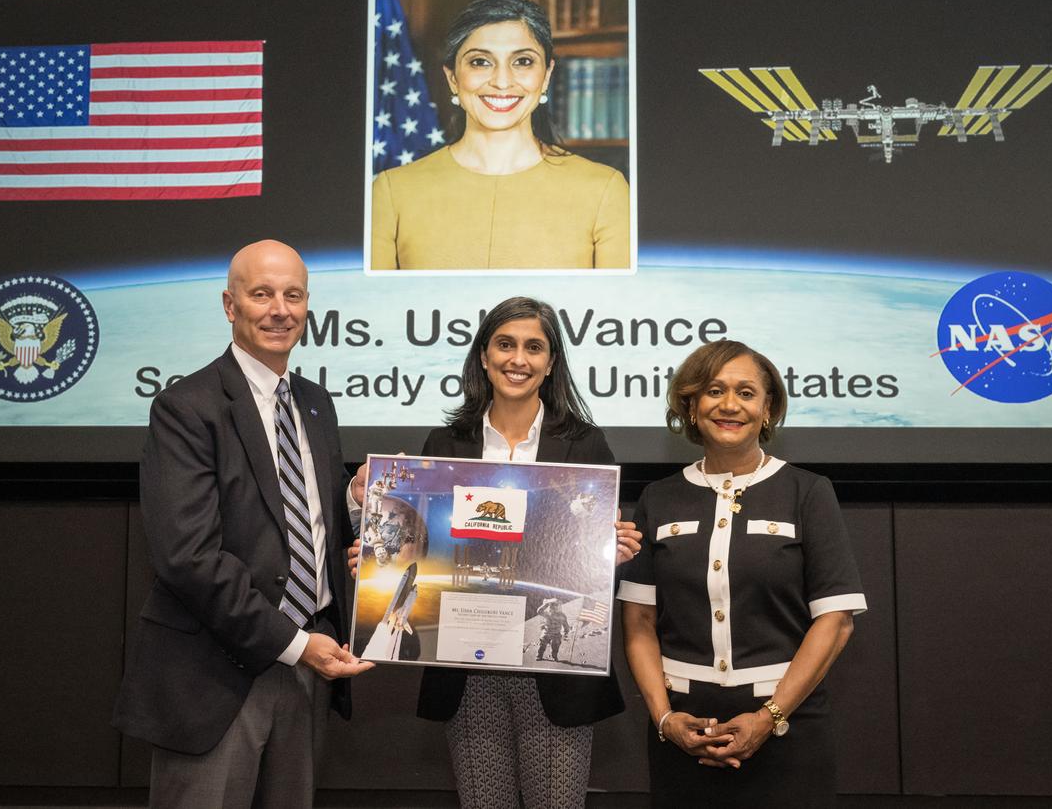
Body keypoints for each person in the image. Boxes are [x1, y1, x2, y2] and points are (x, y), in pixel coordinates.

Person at [350, 295, 642, 809]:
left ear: (551, 363)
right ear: (483, 355)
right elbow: (423, 545)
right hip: (468, 671)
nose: (518, 359)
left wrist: (610, 554)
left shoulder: (586, 446)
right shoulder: (446, 441)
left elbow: (587, 563)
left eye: (534, 347)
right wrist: (378, 560)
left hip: (553, 679)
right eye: (505, 344)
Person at [112, 240, 373, 809]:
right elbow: (188, 557)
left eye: (293, 295)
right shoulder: (188, 407)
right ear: (230, 306)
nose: (280, 309)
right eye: (262, 294)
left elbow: (305, 520)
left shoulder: (314, 402)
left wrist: (354, 502)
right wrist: (296, 645)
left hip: (310, 669)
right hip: (216, 675)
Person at [618, 340, 866, 808]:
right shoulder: (657, 498)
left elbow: (835, 623)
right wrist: (665, 719)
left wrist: (768, 718)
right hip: (682, 732)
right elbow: (638, 624)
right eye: (714, 390)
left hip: (789, 729)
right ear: (691, 406)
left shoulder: (809, 492)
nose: (729, 405)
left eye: (747, 393)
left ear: (768, 409)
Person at [370, 0, 631, 270]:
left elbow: (618, 308)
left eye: (523, 62)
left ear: (547, 75)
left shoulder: (604, 189)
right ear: (452, 78)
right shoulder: (391, 192)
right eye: (481, 62)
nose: (502, 81)